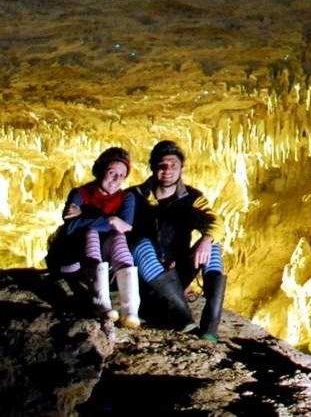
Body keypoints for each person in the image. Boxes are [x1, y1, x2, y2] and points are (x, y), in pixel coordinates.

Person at [129, 140, 226, 341]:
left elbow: (215, 222)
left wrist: (206, 240)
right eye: (162, 166)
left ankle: (210, 326)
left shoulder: (192, 199)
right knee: (141, 245)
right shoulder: (134, 196)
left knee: (213, 245)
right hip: (144, 279)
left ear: (182, 168)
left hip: (176, 275)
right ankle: (183, 320)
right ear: (153, 168)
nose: (168, 171)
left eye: (173, 165)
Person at [46, 146, 141, 328]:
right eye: (112, 173)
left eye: (122, 175)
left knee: (119, 239)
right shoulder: (80, 193)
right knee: (91, 234)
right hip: (74, 257)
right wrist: (110, 220)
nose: (116, 179)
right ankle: (101, 304)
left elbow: (126, 227)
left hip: (106, 253)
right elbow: (70, 226)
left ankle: (131, 311)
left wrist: (85, 216)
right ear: (100, 170)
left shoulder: (126, 197)